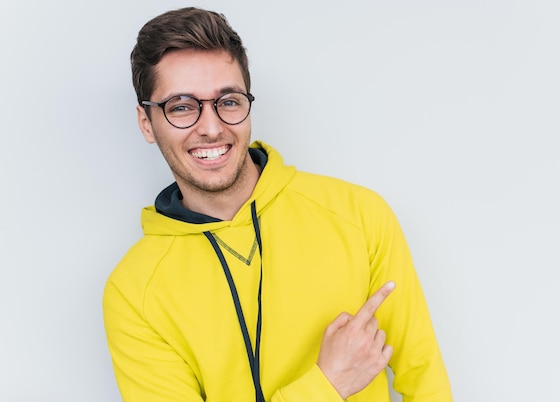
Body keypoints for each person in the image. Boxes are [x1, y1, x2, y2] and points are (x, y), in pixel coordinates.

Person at [103, 7, 453, 402]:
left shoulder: (358, 215)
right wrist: (327, 385)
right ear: (146, 122)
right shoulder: (134, 291)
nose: (212, 126)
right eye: (182, 106)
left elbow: (426, 383)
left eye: (228, 101)